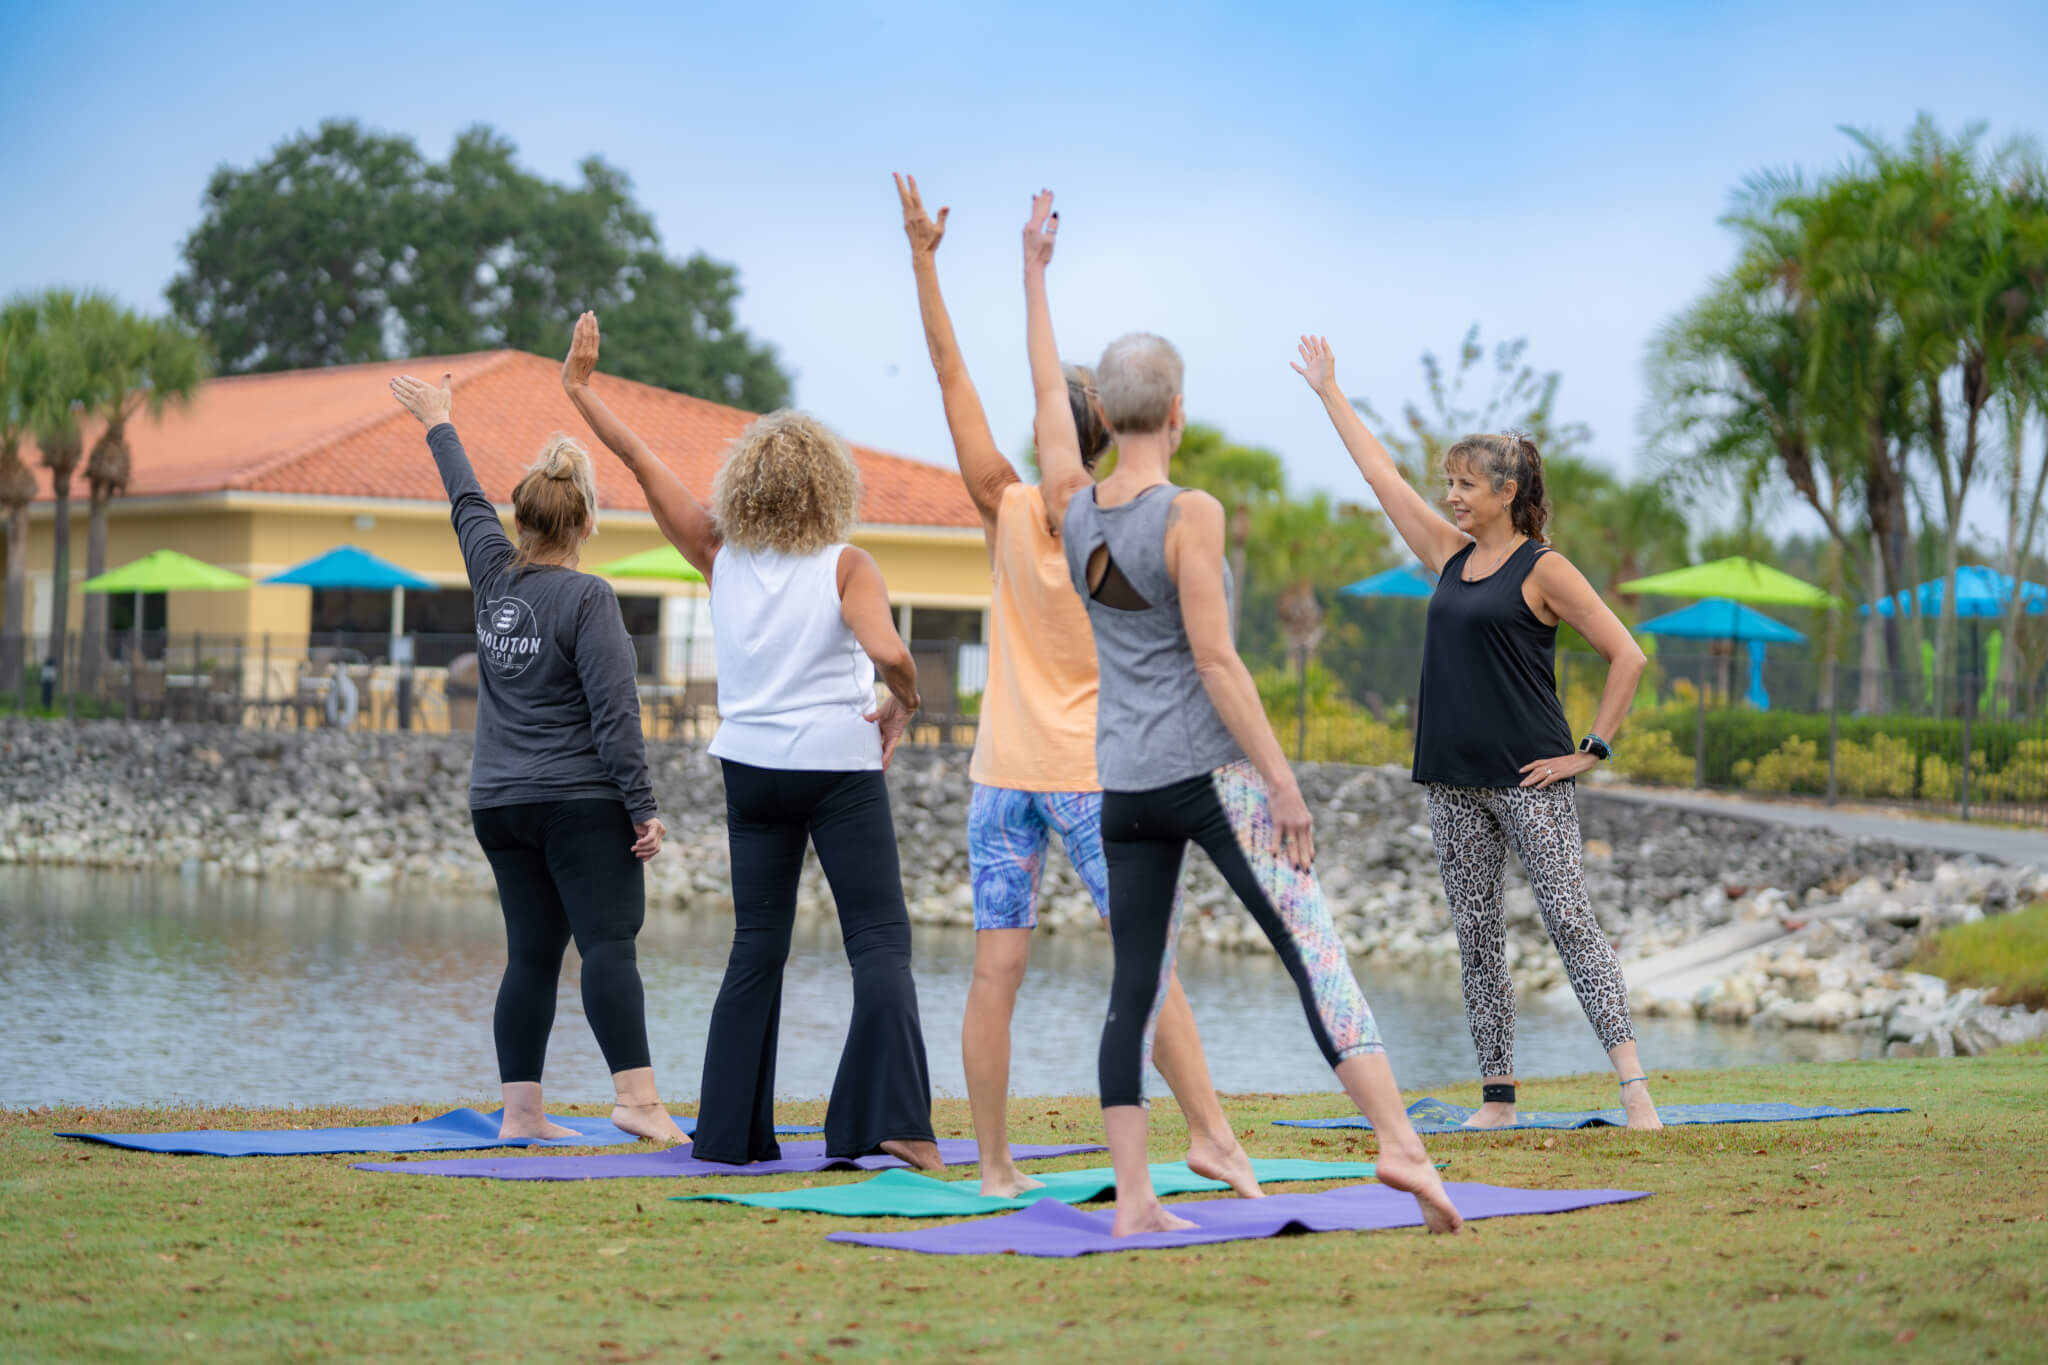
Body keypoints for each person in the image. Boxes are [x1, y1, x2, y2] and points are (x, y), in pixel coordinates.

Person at [1020, 194, 1461, 1236]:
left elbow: (1045, 389)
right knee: (1312, 949)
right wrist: (1281, 779)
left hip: (1120, 780)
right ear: (1176, 412)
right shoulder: (1191, 513)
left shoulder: (1066, 504)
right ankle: (1398, 1145)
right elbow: (1216, 661)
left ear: (1100, 414)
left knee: (1133, 986)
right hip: (1211, 776)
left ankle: (1134, 1202)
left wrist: (1032, 273)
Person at [893, 173, 1260, 1199]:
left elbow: (946, 371)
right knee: (1144, 962)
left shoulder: (1005, 508)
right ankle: (1212, 1135)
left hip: (999, 775)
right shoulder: (1130, 527)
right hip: (1095, 779)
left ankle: (996, 1166)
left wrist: (926, 257)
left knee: (993, 970)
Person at [560, 312, 942, 1168]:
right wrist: (904, 702)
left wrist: (581, 390)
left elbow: (640, 462)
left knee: (755, 947)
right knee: (878, 940)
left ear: (748, 485)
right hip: (838, 770)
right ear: (828, 487)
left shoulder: (715, 551)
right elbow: (888, 652)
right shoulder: (847, 564)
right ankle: (893, 1122)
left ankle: (731, 1135)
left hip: (752, 770)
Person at [1290, 334, 1662, 1132]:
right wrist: (1330, 394)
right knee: (1477, 938)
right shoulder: (1447, 556)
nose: (1452, 495)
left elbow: (1626, 655)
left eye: (1465, 484)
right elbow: (1378, 476)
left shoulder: (1545, 568)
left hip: (1530, 779)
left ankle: (1634, 1088)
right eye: (1449, 484)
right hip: (1451, 781)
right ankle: (1498, 1100)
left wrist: (1588, 752)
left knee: (1568, 918)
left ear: (1506, 490)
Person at [387, 370, 686, 1145]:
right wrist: (643, 805)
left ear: (521, 518)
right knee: (608, 943)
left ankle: (520, 1115)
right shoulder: (588, 600)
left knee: (530, 954)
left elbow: (464, 501)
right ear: (586, 520)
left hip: (499, 804)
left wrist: (440, 421)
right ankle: (639, 1100)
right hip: (578, 802)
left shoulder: (492, 578)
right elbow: (617, 714)